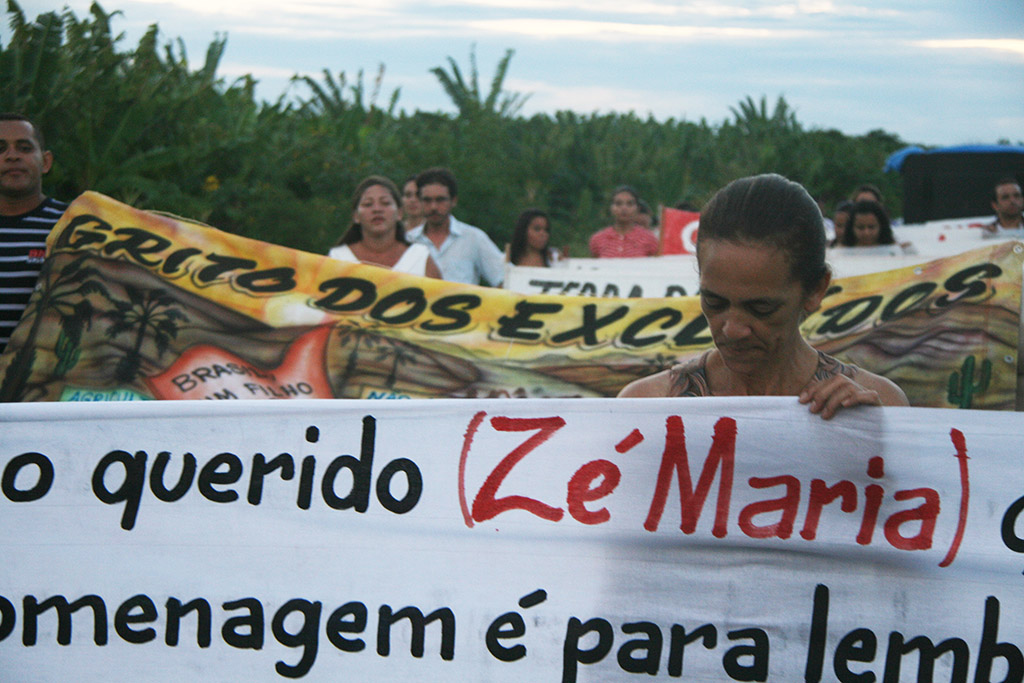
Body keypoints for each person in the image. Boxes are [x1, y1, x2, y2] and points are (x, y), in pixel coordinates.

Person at [618, 173, 907, 419]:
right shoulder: (646, 407)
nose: (732, 329)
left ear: (816, 290)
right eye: (714, 302)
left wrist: (877, 441)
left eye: (761, 308)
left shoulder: (878, 405)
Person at [0, 113, 67, 355]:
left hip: (42, 387)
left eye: (24, 147)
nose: (12, 155)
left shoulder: (74, 225)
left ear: (46, 162)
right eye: (1, 148)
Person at [406, 167, 505, 286]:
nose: (433, 207)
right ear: (420, 201)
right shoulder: (408, 240)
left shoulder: (473, 238)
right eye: (427, 200)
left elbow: (502, 279)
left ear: (453, 200)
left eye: (440, 200)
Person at [328, 175, 441, 278]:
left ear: (400, 213)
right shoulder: (338, 258)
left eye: (385, 203)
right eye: (368, 204)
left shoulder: (419, 257)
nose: (377, 209)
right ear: (356, 216)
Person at [588, 185, 659, 258]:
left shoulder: (649, 239)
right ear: (611, 208)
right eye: (618, 204)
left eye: (629, 204)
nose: (624, 208)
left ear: (637, 208)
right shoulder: (598, 239)